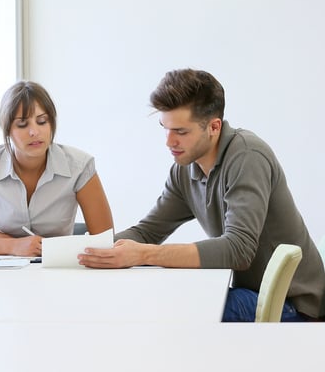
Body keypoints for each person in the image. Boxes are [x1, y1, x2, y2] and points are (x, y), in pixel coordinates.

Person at [78, 68, 325, 322]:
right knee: (165, 295)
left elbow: (238, 249)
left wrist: (143, 253)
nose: (169, 141)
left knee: (177, 304)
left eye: (181, 132)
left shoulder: (247, 157)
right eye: (165, 128)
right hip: (250, 292)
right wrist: (82, 252)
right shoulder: (185, 170)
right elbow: (146, 232)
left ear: (214, 127)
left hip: (290, 304)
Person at [0, 80, 114, 257]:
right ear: (6, 128)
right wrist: (11, 246)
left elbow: (105, 242)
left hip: (58, 271)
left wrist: (31, 246)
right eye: (22, 124)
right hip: (1, 274)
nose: (34, 132)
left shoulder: (80, 166)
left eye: (42, 122)